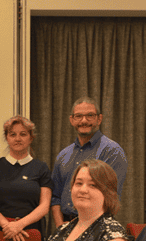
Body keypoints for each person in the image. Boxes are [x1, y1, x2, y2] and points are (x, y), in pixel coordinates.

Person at [49, 97, 127, 228]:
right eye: (78, 116)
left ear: (99, 119)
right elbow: (55, 196)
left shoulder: (112, 151)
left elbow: (109, 197)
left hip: (96, 226)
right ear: (71, 120)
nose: (84, 121)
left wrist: (82, 227)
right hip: (65, 226)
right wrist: (59, 226)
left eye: (90, 115)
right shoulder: (63, 155)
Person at [0, 115, 51, 241]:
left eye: (23, 134)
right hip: (1, 232)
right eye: (12, 134)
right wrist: (8, 226)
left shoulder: (41, 168)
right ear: (7, 138)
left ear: (31, 138)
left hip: (31, 233)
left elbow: (45, 206)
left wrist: (19, 225)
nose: (18, 139)